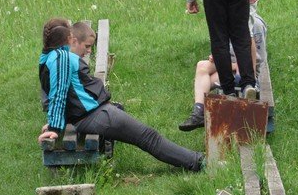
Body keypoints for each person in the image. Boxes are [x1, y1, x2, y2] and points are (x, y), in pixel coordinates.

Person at [37, 18, 204, 172]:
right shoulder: (61, 58)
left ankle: (197, 160)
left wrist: (55, 122)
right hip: (94, 115)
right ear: (68, 38)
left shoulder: (47, 57)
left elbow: (60, 94)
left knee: (147, 136)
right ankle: (199, 162)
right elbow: (59, 94)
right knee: (149, 137)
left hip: (91, 114)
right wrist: (54, 128)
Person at [179, 14, 268, 131]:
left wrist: (230, 64)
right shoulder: (226, 19)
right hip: (227, 64)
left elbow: (258, 59)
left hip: (244, 70)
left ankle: (201, 112)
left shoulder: (255, 24)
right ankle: (198, 111)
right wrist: (216, 56)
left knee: (206, 80)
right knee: (201, 66)